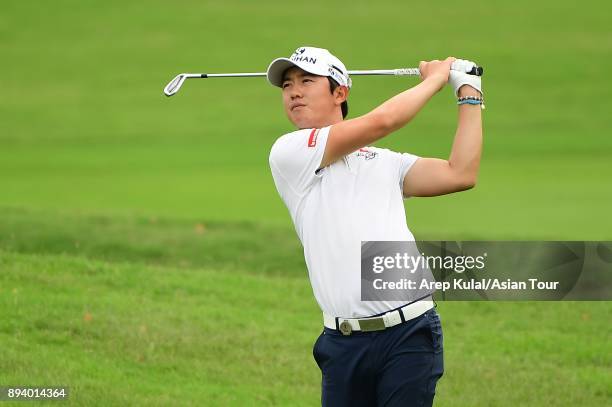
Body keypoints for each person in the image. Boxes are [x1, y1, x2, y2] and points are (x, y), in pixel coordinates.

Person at [266, 46, 482, 406]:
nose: (294, 92)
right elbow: (383, 121)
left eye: (307, 80)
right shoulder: (290, 153)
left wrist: (469, 93)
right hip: (342, 342)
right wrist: (435, 80)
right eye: (287, 85)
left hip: (411, 333)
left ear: (340, 93)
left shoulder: (385, 163)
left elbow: (460, 173)